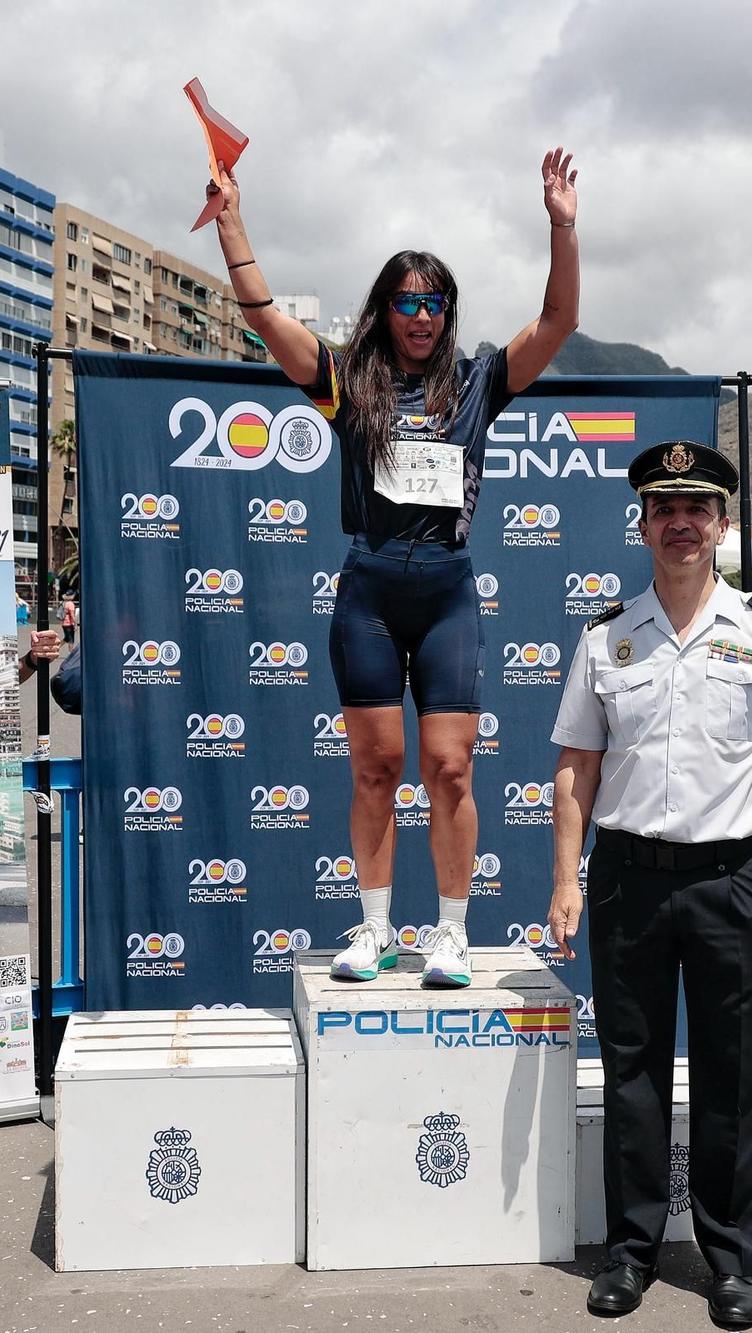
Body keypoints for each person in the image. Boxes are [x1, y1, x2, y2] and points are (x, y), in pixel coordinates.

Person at [213, 147, 581, 990]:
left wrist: (562, 225)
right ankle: (376, 928)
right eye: (408, 301)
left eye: (435, 303)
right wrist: (234, 224)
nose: (421, 316)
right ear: (385, 308)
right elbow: (268, 319)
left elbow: (556, 321)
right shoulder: (349, 382)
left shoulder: (480, 381)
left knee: (451, 765)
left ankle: (449, 934)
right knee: (375, 765)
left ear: (449, 314)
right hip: (371, 590)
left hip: (447, 589)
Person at [545, 440, 752, 1328]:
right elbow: (575, 771)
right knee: (632, 1072)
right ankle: (628, 1251)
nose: (681, 523)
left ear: (723, 524)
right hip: (628, 878)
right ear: (643, 523)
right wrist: (565, 879)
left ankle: (732, 1259)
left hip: (733, 876)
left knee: (733, 1078)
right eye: (665, 508)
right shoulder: (605, 637)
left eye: (698, 508)